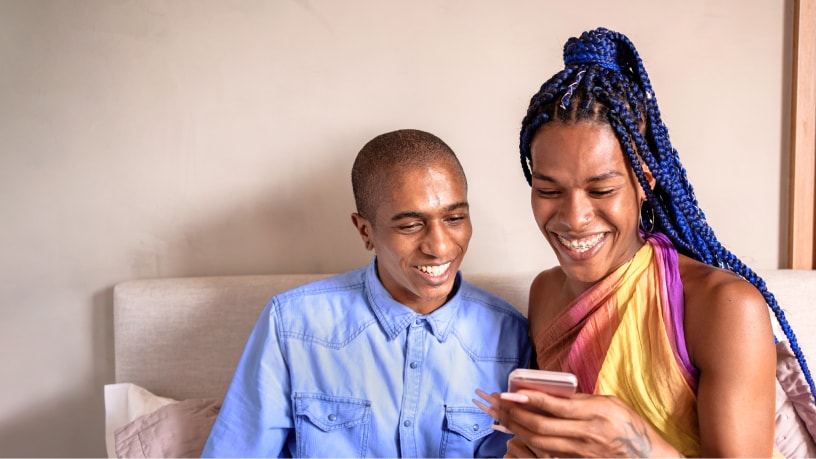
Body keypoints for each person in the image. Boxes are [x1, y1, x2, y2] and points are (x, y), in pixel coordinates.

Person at [474, 27, 816, 458]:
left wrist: (635, 444)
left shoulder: (725, 307)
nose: (573, 218)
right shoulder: (546, 293)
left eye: (601, 191)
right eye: (548, 190)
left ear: (644, 181)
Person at [202, 128, 531, 457]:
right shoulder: (292, 324)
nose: (440, 246)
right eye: (411, 225)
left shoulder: (512, 336)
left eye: (454, 218)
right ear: (365, 231)